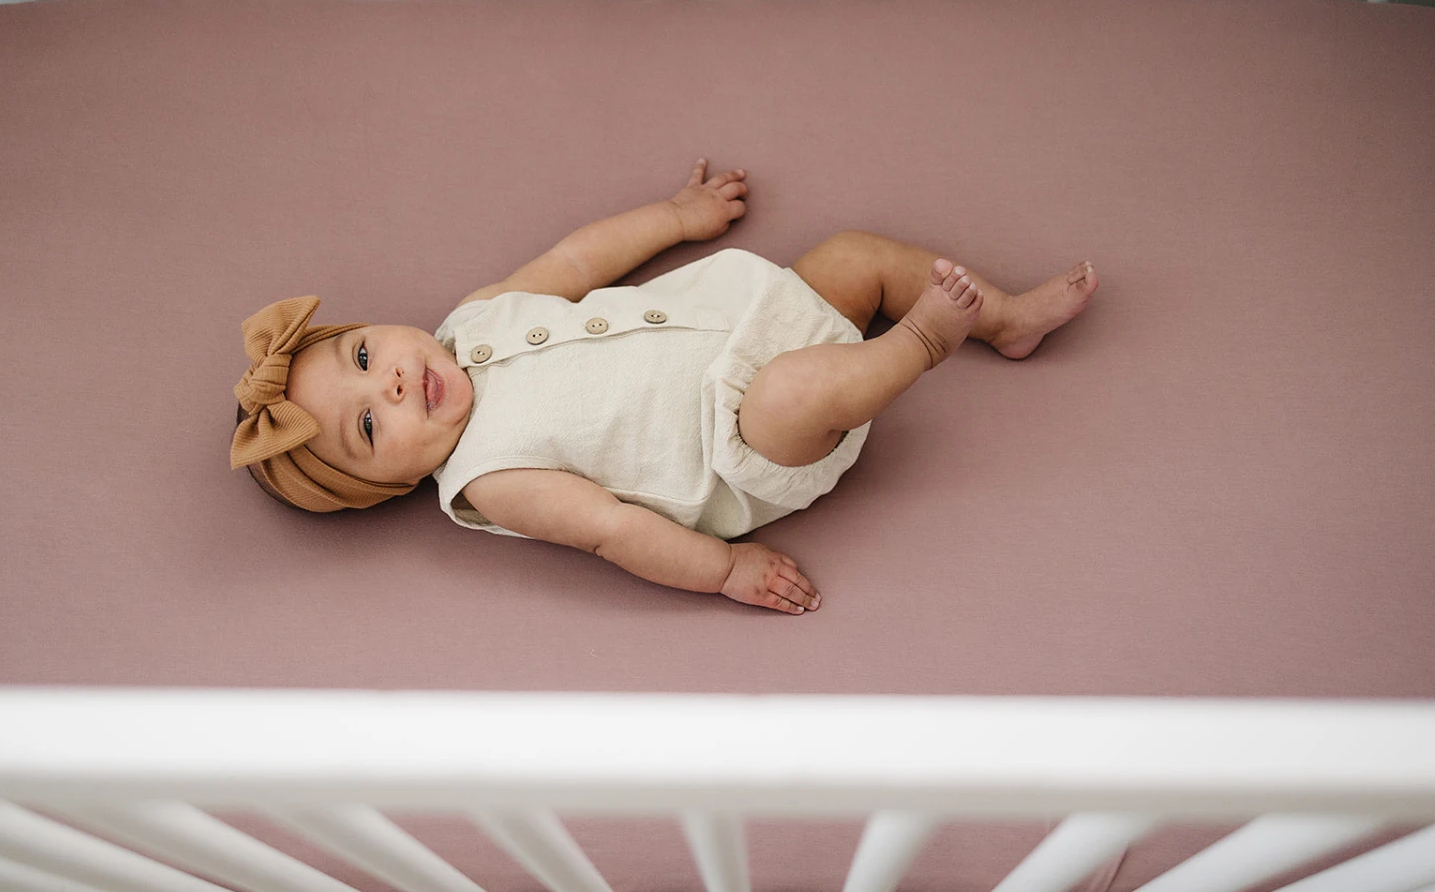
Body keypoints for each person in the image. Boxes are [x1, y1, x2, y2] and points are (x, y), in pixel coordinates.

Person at [231, 159, 1098, 615]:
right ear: (392, 487)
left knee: (851, 256)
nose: (389, 385)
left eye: (361, 358)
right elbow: (612, 531)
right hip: (742, 441)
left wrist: (676, 218)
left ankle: (1005, 318)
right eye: (368, 429)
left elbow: (575, 260)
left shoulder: (474, 318)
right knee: (793, 393)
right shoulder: (487, 478)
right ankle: (923, 341)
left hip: (752, 315)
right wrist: (722, 571)